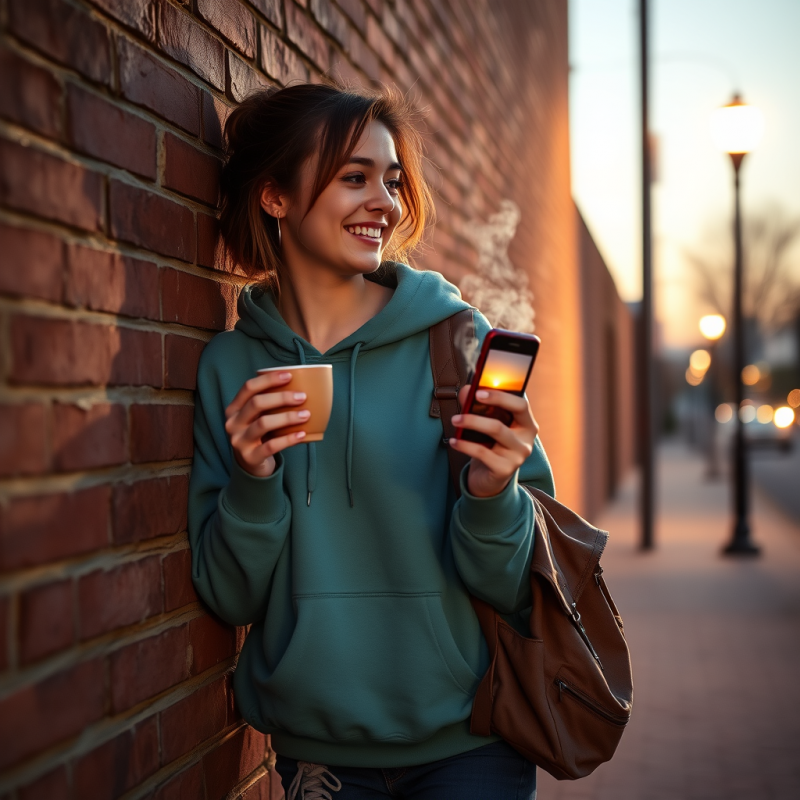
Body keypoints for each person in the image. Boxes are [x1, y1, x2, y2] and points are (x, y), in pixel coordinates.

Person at [188, 82, 555, 800]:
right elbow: (228, 596)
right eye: (354, 177)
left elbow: (520, 586)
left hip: (471, 747)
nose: (386, 202)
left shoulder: (458, 344)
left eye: (390, 180)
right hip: (317, 760)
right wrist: (254, 483)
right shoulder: (232, 369)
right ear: (275, 197)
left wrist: (492, 495)